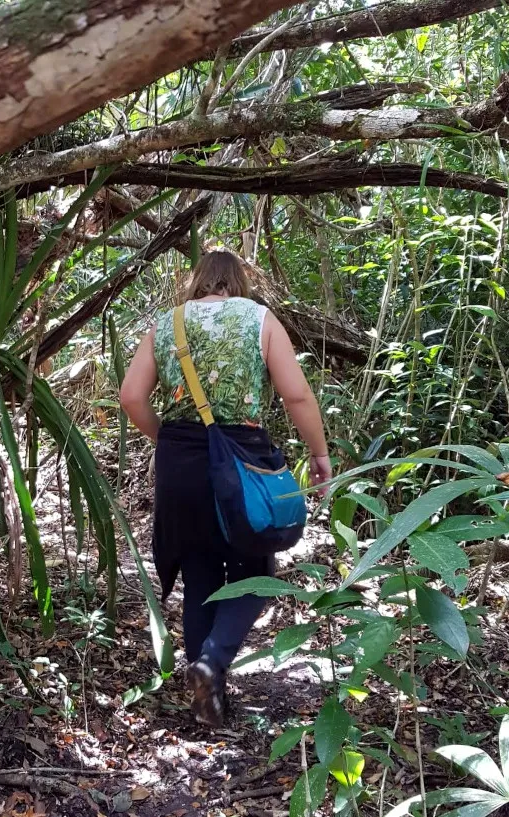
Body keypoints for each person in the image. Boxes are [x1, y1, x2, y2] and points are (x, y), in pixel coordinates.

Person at [120, 250, 331, 726]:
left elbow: (131, 396)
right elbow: (296, 394)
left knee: (200, 574)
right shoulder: (259, 318)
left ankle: (206, 698)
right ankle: (212, 663)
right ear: (238, 283)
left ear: (198, 282)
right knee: (256, 568)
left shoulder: (167, 323)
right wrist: (319, 453)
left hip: (179, 461)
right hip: (240, 458)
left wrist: (168, 440)